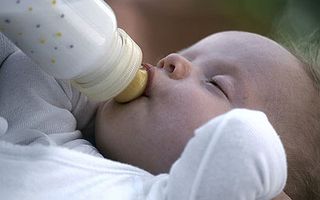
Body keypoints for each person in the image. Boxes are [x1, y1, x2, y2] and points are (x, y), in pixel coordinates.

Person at [0, 30, 312, 199]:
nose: (172, 60)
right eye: (188, 51)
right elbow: (33, 60)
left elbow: (242, 142)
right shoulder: (54, 137)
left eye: (215, 84)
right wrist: (91, 54)